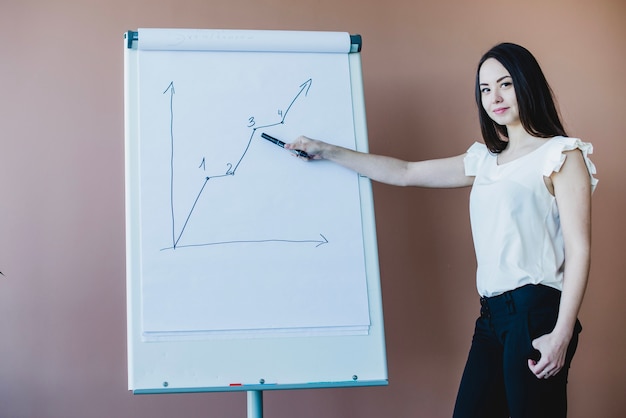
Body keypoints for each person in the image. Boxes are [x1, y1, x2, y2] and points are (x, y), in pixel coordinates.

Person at [285, 42, 598, 418]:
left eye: (505, 84)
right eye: (485, 89)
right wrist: (325, 150)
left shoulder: (561, 154)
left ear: (527, 84)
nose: (494, 97)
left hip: (536, 313)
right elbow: (405, 172)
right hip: (491, 317)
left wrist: (562, 333)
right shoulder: (485, 161)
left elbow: (578, 249)